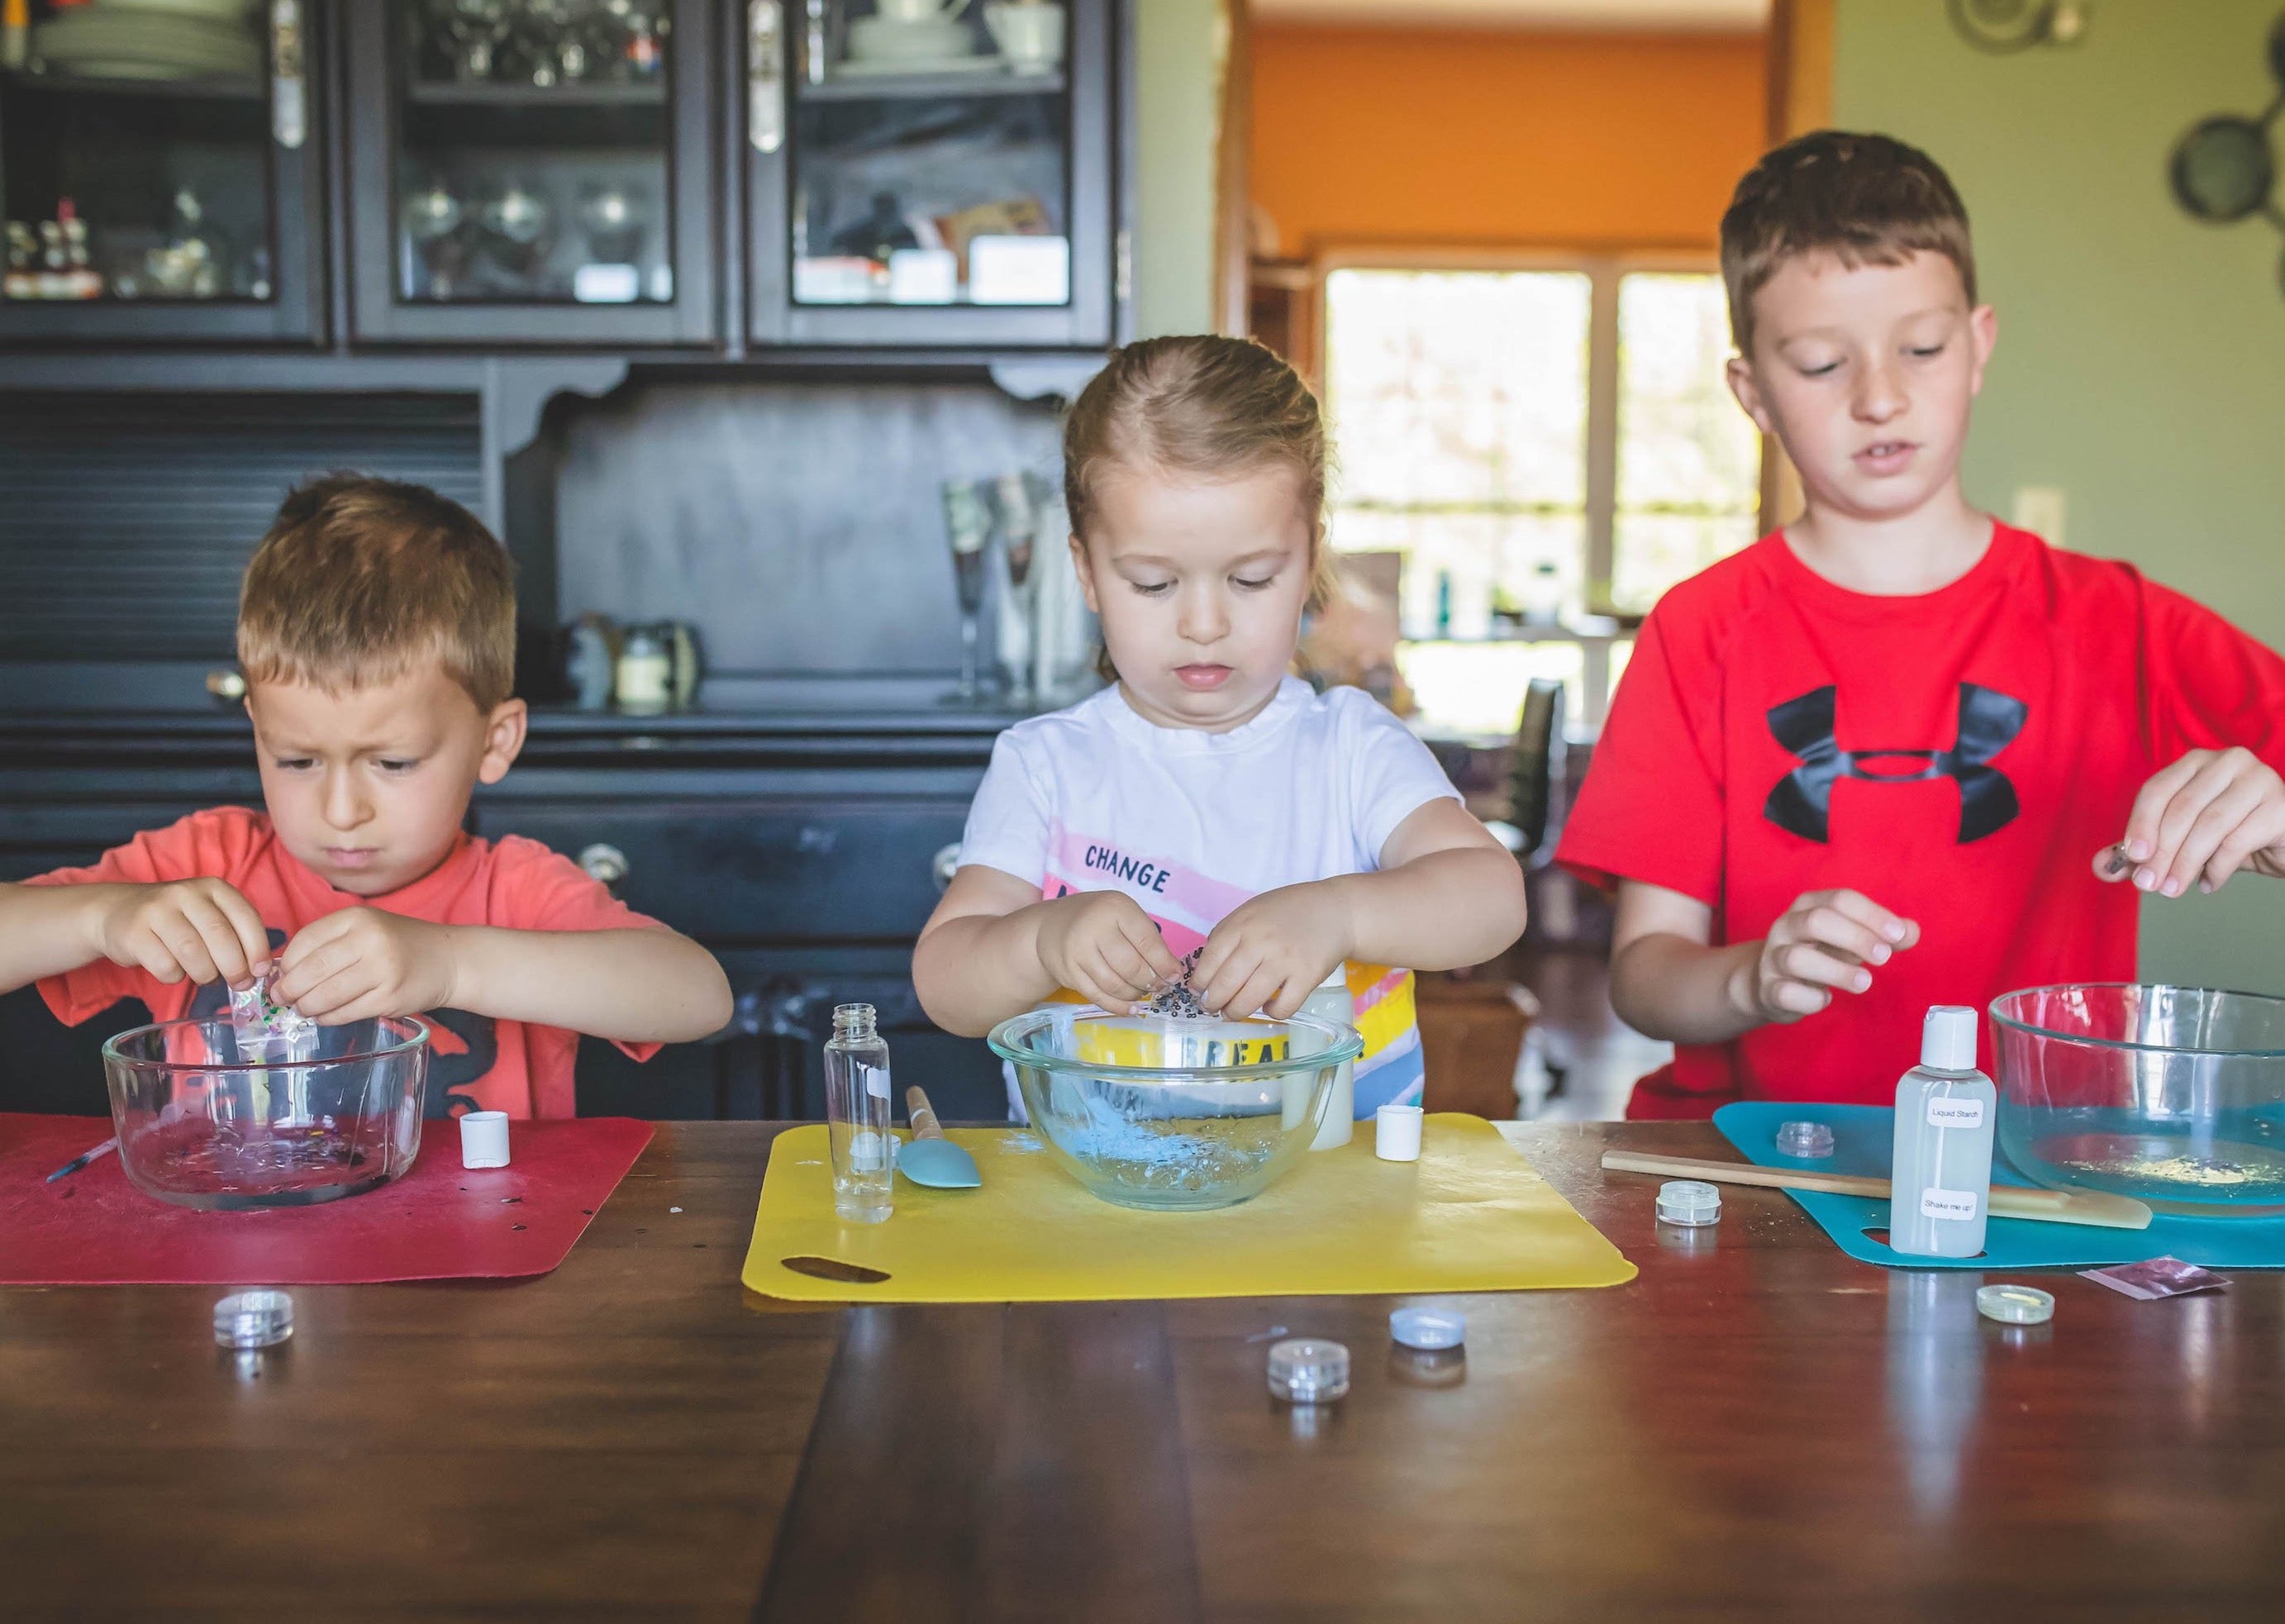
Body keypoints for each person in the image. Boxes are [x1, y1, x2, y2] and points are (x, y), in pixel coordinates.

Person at [1557, 131, 2285, 1117]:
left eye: (1920, 348)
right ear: (1752, 395)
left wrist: (2270, 817)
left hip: (2040, 1166)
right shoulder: (1702, 630)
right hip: (1756, 1165)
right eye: (1819, 364)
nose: (1878, 397)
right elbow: (1644, 976)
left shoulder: (2115, 623)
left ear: (1977, 346)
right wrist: (1748, 980)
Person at [913, 336, 1530, 1117]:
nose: (1203, 623)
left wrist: (1339, 913)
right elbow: (946, 984)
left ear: (1308, 566)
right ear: (1086, 573)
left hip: (1337, 1208)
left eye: (1250, 579)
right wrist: (1042, 938)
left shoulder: (1350, 747)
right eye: (1153, 582)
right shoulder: (1044, 765)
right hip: (1095, 1209)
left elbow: (1492, 898)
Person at [0, 474, 731, 1118]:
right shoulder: (204, 862)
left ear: (496, 741)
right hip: (232, 1263)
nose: (341, 809)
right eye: (296, 760)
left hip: (476, 1265)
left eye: (391, 761)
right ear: (256, 726)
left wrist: (451, 965)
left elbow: (699, 996)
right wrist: (104, 915)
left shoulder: (512, 889)